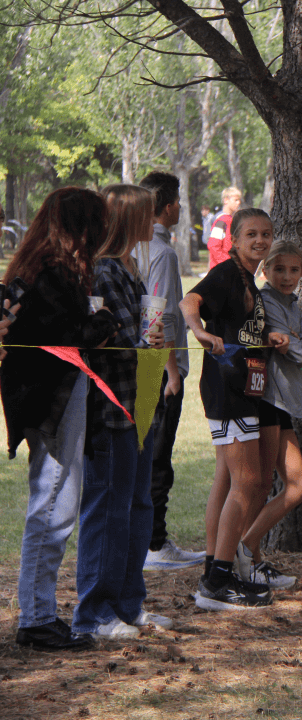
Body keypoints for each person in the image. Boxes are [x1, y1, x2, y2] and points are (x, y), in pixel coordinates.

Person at [4, 188, 116, 650]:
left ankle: (41, 612)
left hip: (57, 396)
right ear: (80, 227)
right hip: (49, 400)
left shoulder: (50, 270)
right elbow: (68, 338)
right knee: (52, 504)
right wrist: (104, 321)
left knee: (57, 503)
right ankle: (35, 618)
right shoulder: (49, 275)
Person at [75, 184, 169, 640]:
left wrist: (154, 343)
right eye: (146, 215)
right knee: (107, 508)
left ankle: (130, 605)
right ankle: (94, 614)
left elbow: (139, 336)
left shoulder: (131, 267)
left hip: (141, 402)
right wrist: (142, 345)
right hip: (112, 408)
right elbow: (102, 344)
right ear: (129, 219)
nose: (153, 223)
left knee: (138, 504)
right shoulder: (101, 272)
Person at [181, 207, 287, 610]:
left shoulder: (248, 279)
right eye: (251, 235)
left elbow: (242, 327)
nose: (259, 241)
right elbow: (190, 300)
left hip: (247, 388)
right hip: (227, 390)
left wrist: (268, 335)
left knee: (229, 480)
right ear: (236, 240)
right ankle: (216, 584)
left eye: (266, 234)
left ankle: (216, 565)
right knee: (247, 482)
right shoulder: (226, 273)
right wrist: (199, 331)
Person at [235, 240, 302, 588]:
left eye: (294, 270)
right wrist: (293, 342)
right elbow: (299, 352)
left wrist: (294, 340)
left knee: (297, 487)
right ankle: (244, 557)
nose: (287, 276)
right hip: (267, 398)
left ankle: (248, 551)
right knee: (263, 484)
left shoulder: (293, 304)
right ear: (265, 271)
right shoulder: (265, 301)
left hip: (285, 402)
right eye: (279, 269)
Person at [138, 171, 205, 571]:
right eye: (178, 201)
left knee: (147, 451)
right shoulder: (162, 252)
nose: (181, 207)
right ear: (166, 206)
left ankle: (148, 539)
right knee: (158, 453)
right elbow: (155, 313)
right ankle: (154, 544)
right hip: (156, 365)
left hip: (143, 362)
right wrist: (173, 371)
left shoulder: (137, 245)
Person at [206, 186, 242, 269]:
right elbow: (213, 245)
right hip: (221, 270)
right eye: (236, 200)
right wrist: (227, 263)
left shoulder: (231, 219)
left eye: (239, 200)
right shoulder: (222, 220)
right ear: (226, 200)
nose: (238, 203)